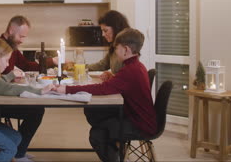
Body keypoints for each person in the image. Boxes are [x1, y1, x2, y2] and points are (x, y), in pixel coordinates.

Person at [54, 28, 156, 162]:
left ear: (125, 50)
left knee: (96, 133)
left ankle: (114, 153)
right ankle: (115, 150)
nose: (115, 51)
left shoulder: (130, 70)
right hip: (140, 118)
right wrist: (113, 77)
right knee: (94, 112)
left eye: (116, 48)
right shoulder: (136, 66)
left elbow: (102, 88)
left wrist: (67, 89)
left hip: (139, 124)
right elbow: (120, 83)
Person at [0, 39, 55, 162]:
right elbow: (10, 88)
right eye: (6, 60)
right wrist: (40, 91)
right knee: (10, 149)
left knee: (17, 138)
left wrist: (11, 75)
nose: (7, 64)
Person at [0, 15, 58, 161]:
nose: (22, 40)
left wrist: (52, 61)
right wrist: (11, 75)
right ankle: (19, 153)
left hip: (6, 93)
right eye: (21, 36)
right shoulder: (0, 48)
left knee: (36, 109)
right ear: (11, 30)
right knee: (36, 111)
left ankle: (20, 150)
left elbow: (26, 65)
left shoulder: (10, 46)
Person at [87, 10, 130, 82]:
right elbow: (102, 65)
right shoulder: (115, 47)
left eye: (105, 30)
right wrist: (79, 67)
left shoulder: (126, 50)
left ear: (116, 28)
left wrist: (112, 76)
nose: (103, 35)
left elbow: (125, 78)